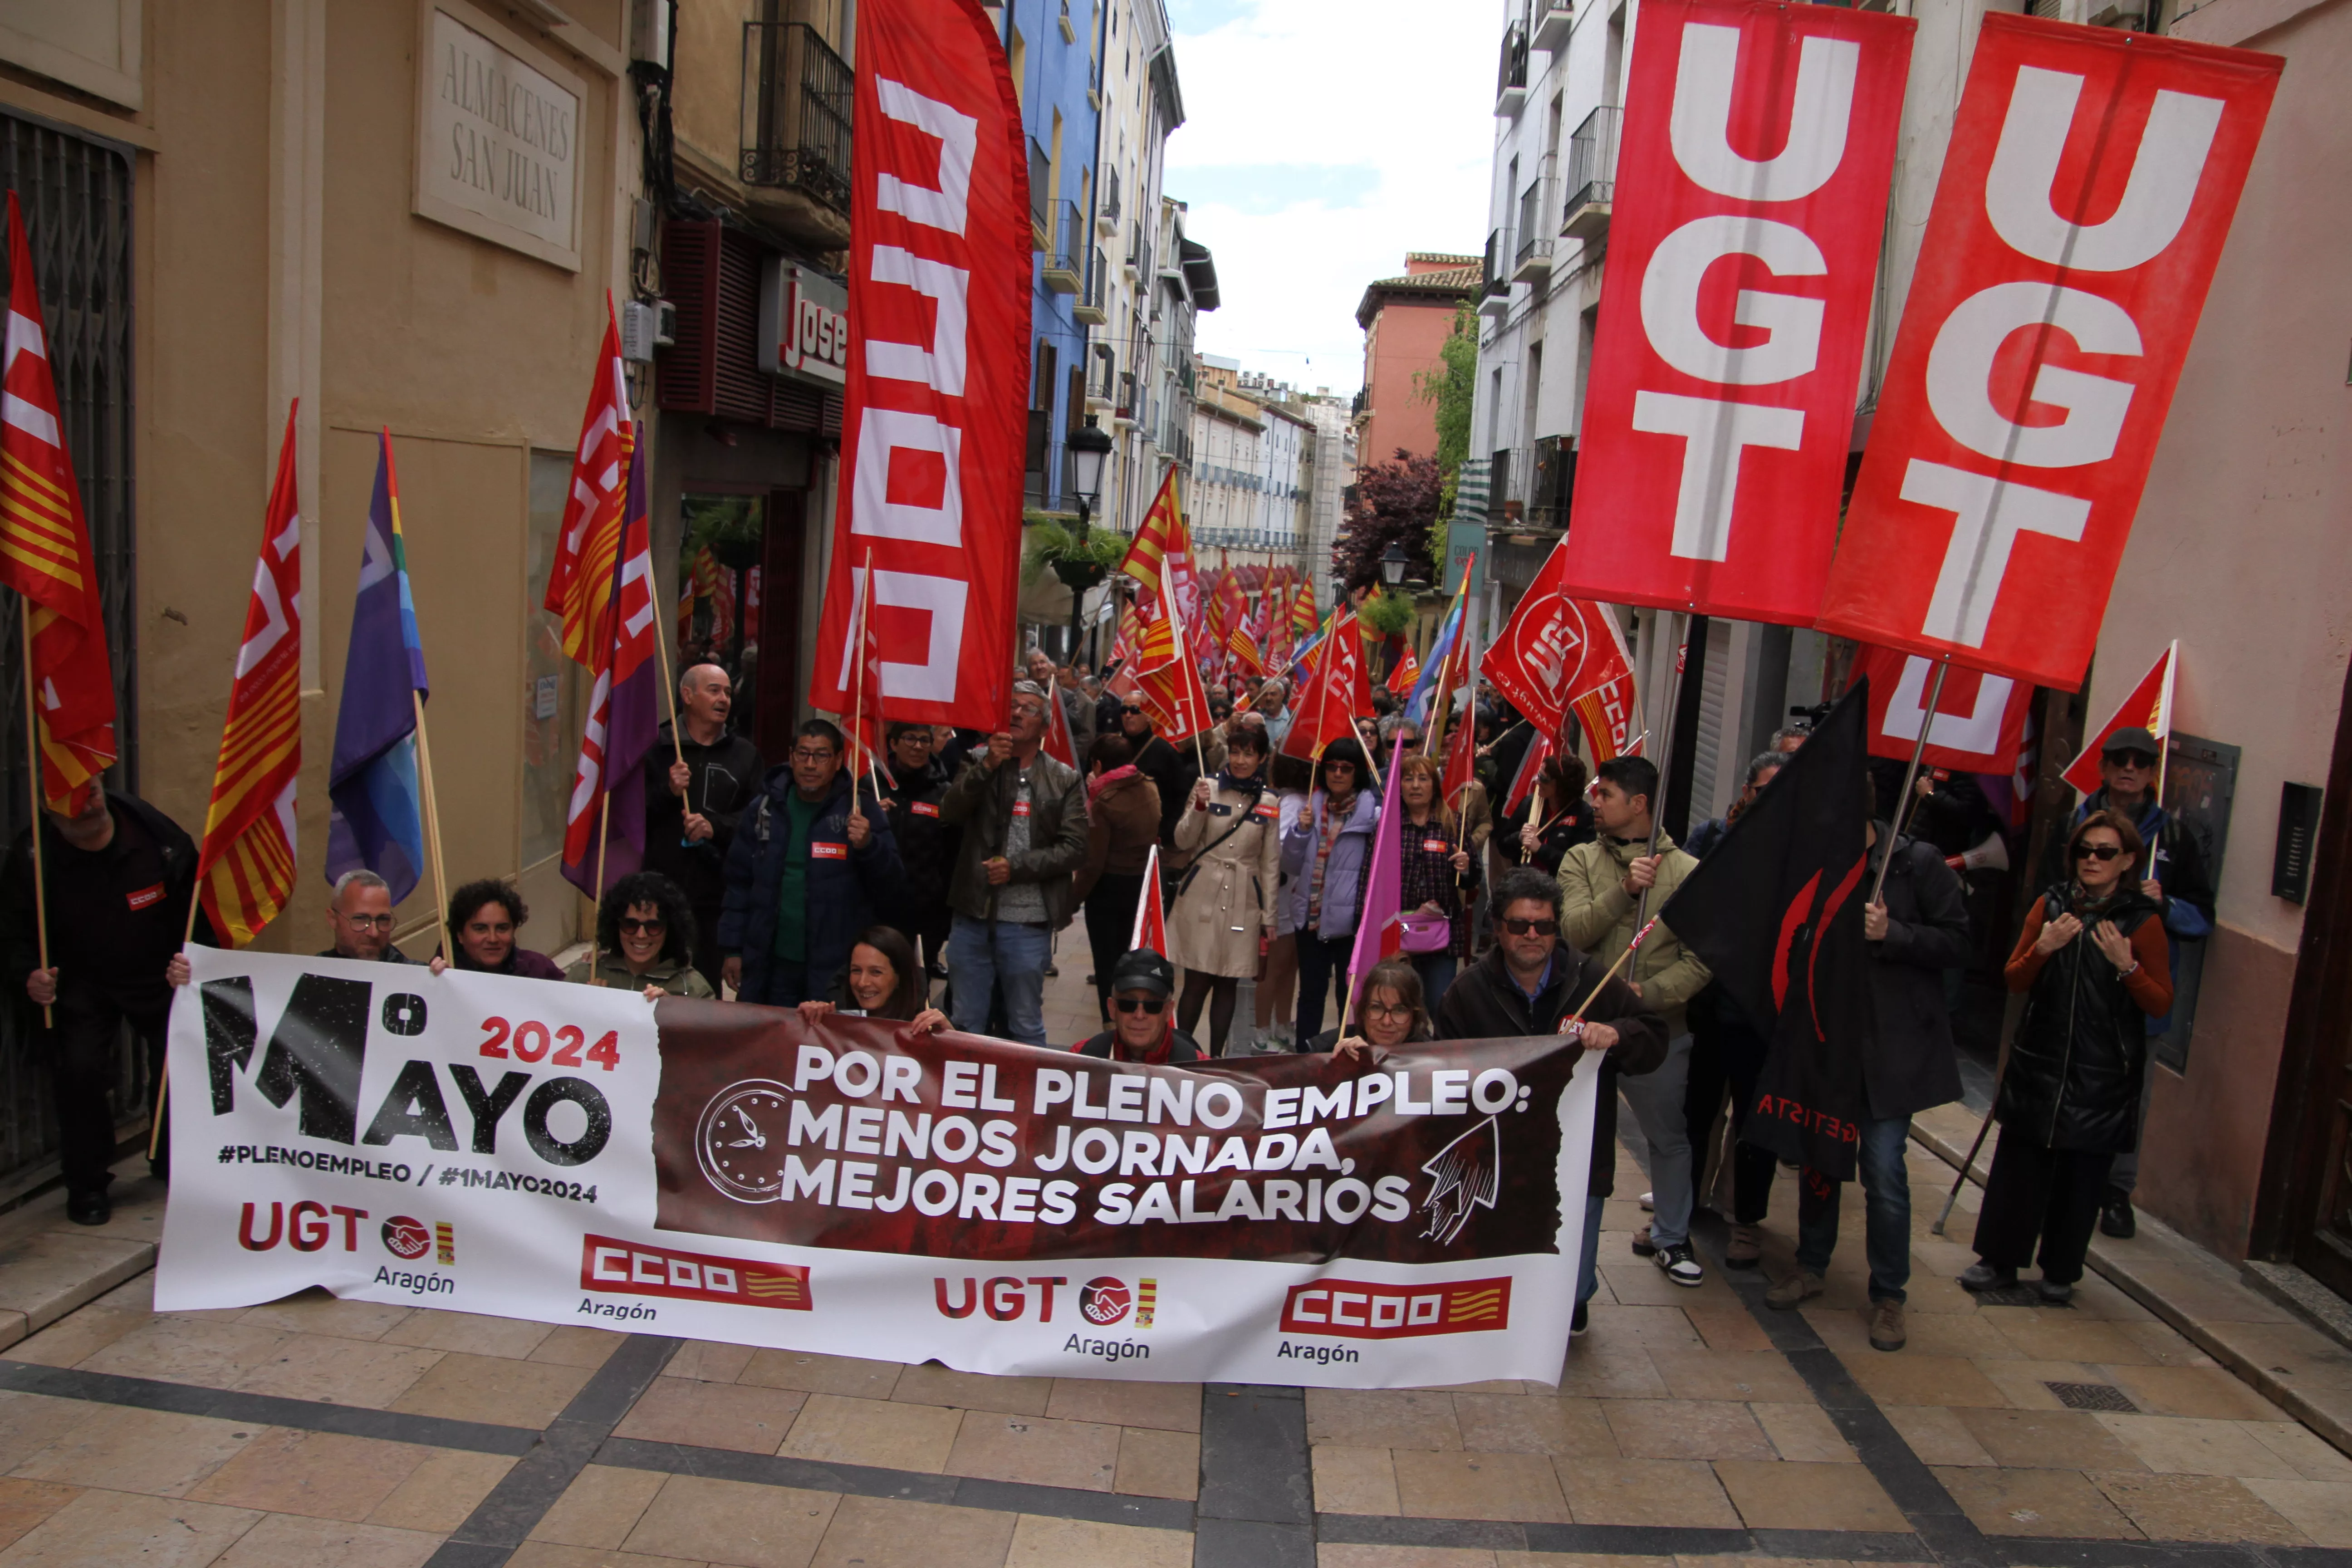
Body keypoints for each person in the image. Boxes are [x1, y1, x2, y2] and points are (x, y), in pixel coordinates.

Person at [1765, 779, 1970, 1353]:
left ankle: (1889, 1294)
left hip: (1891, 1051)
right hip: (1826, 1043)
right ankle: (1811, 1263)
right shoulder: (1817, 865)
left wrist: (1894, 933)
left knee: (1883, 1170)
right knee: (1818, 1158)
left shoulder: (1917, 863)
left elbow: (1958, 943)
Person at [1436, 868, 1667, 1334]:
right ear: (1498, 928)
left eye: (1543, 925)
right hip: (1499, 1159)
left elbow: (1654, 1039)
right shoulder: (1467, 992)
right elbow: (1440, 1072)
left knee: (1572, 1291)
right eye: (1519, 925)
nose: (1532, 935)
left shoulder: (1592, 980)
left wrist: (1617, 1034)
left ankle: (1571, 1303)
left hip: (1577, 1161)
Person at [1963, 810, 2172, 1303]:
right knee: (2020, 1167)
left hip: (2103, 1069)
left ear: (2127, 861)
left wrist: (2127, 966)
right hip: (2042, 1059)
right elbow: (2015, 979)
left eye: (2105, 852)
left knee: (2082, 1177)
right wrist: (2044, 947)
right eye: (2084, 850)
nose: (2092, 860)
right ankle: (1998, 1261)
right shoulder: (2052, 904)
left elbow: (2161, 1002)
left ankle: (2060, 1271)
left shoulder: (2142, 920)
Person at [4, 784, 209, 1225]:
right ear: (48, 810)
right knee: (80, 1072)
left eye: (92, 792)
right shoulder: (31, 858)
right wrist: (29, 975)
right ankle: (88, 1184)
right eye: (72, 802)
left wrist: (193, 957)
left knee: (180, 1058)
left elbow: (200, 908)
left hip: (157, 970)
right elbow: (13, 935)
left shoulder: (159, 840)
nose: (88, 805)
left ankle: (171, 1157)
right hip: (80, 981)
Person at [2040, 725, 2214, 1240]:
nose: (2129, 769)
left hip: (2136, 992)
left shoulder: (2173, 839)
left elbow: (2202, 919)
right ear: (2103, 767)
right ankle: (2057, 1176)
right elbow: (2043, 896)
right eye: (2120, 759)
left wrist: (2166, 905)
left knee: (2131, 1095)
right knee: (2064, 1078)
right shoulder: (2074, 826)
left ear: (2154, 772)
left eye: (2141, 761)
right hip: (2074, 983)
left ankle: (2116, 1191)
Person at [1558, 755, 1712, 1286]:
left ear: (1639, 803)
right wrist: (1622, 891)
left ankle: (1671, 1236)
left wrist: (1650, 995)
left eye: (1605, 794)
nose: (1594, 802)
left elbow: (1700, 960)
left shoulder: (1688, 873)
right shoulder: (1580, 858)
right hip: (1583, 1033)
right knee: (1571, 1140)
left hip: (1657, 1033)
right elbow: (1571, 933)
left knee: (1667, 1138)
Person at [941, 681, 1090, 1047]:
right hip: (973, 914)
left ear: (1044, 727)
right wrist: (987, 767)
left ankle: (1026, 1085)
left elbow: (1075, 848)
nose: (1017, 714)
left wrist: (1016, 867)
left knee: (1024, 1024)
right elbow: (950, 812)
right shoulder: (977, 760)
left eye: (1029, 709)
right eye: (1012, 706)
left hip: (1027, 924)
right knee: (965, 1022)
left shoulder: (1063, 778)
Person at [718, 720, 905, 1007]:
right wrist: (733, 949)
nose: (810, 764)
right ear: (791, 756)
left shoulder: (861, 809)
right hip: (770, 965)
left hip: (835, 969)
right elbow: (738, 883)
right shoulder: (765, 809)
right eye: (803, 754)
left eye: (821, 756)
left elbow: (893, 887)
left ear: (838, 761)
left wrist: (869, 846)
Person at [1679, 753, 1782, 1270]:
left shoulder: (1801, 849)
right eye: (1764, 791)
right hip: (1707, 1003)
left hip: (1761, 1013)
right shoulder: (1714, 837)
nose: (1772, 802)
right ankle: (1682, 1205)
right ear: (1746, 792)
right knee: (1696, 1115)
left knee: (1754, 1126)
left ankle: (1746, 1220)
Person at [643, 662, 764, 990]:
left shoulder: (745, 755)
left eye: (727, 692)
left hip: (717, 897)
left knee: (705, 992)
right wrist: (668, 792)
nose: (724, 699)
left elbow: (758, 819)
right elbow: (630, 818)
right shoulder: (657, 748)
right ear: (687, 695)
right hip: (658, 894)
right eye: (714, 691)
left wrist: (715, 827)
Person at [1171, 720, 1281, 1054]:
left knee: (1228, 981)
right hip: (1203, 890)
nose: (1240, 760)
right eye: (1235, 752)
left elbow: (1270, 861)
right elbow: (1183, 840)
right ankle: (1182, 1054)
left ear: (1262, 758)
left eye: (1249, 754)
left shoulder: (1269, 801)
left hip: (1244, 898)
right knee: (1196, 979)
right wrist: (1199, 808)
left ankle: (1216, 1057)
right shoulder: (1207, 786)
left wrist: (1269, 916)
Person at [1281, 738, 1379, 1049]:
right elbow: (1291, 865)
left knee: (1348, 998)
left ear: (1357, 772)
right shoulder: (1311, 808)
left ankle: (1348, 1058)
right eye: (1332, 767)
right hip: (1310, 917)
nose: (1337, 774)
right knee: (1310, 994)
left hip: (1350, 923)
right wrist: (1300, 832)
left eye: (1346, 768)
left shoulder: (1371, 816)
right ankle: (1305, 1060)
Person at [1073, 733, 1162, 1023]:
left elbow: (1094, 863)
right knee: (1130, 956)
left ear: (1098, 765)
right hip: (1140, 885)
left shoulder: (1104, 800)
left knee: (1106, 963)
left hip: (1108, 889)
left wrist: (1072, 900)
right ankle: (1133, 1015)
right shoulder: (1149, 787)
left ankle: (1111, 1022)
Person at [876, 720, 959, 982]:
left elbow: (953, 853)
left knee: (917, 982)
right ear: (893, 744)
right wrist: (873, 816)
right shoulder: (873, 785)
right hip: (879, 906)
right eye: (910, 739)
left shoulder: (944, 792)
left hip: (927, 907)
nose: (918, 747)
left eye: (925, 740)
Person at [1396, 754, 1475, 1008]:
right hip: (1398, 934)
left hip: (1442, 938)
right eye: (1409, 779)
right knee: (1403, 1008)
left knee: (1441, 1008)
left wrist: (1465, 869)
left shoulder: (1453, 824)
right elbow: (1370, 877)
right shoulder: (1389, 825)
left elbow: (1473, 880)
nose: (1415, 786)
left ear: (1434, 786)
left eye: (1423, 779)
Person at [569, 871, 716, 996]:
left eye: (653, 926)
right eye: (630, 925)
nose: (641, 935)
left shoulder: (693, 989)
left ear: (670, 930)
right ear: (615, 926)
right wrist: (587, 1007)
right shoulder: (584, 977)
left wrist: (671, 1013)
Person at [796, 924, 949, 1031]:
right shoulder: (834, 1016)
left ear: (900, 977)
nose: (863, 983)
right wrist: (803, 1022)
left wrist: (950, 1037)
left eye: (876, 972)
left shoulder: (929, 1023)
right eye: (856, 971)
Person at [1076, 949, 1204, 1063]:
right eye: (1128, 1004)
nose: (1139, 1015)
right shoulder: (1080, 1058)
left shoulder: (1199, 1070)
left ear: (1169, 1011)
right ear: (1112, 1008)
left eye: (1153, 1006)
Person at [429, 879, 565, 979]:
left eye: (502, 928)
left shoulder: (539, 970)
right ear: (460, 935)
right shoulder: (441, 974)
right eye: (480, 929)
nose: (493, 939)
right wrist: (437, 983)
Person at [1318, 955, 1433, 1057]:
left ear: (1415, 1015)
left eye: (1399, 1010)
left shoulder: (1432, 1057)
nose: (1387, 1022)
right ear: (1363, 1011)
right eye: (1377, 1008)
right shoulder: (1326, 1048)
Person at [1119, 701, 1197, 845]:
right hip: (1116, 833)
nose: (1128, 715)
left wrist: (1166, 832)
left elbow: (1181, 795)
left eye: (1135, 710)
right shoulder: (1110, 746)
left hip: (1153, 836)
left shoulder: (1165, 752)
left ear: (1149, 716)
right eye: (1124, 710)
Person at [1502, 753, 1593, 877]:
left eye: (1544, 779)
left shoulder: (1583, 813)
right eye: (1538, 775)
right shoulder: (1530, 803)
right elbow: (1503, 846)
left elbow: (1580, 864)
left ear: (1561, 786)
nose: (1537, 782)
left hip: (1559, 883)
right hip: (1525, 880)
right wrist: (1519, 837)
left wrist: (1541, 849)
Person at [320, 870, 412, 962]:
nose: (374, 933)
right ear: (333, 919)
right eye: (361, 919)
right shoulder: (315, 969)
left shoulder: (412, 971)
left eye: (383, 920)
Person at [1027, 645, 1095, 761]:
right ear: (1029, 670)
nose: (1039, 667)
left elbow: (1076, 726)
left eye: (1042, 662)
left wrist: (1053, 705)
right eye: (1034, 664)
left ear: (1049, 667)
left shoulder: (1066, 696)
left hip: (1055, 756)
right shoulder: (1023, 693)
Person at [1254, 678, 1293, 751]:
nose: (1268, 698)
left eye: (1273, 694)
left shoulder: (1293, 717)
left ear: (1282, 696)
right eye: (1265, 695)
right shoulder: (1257, 718)